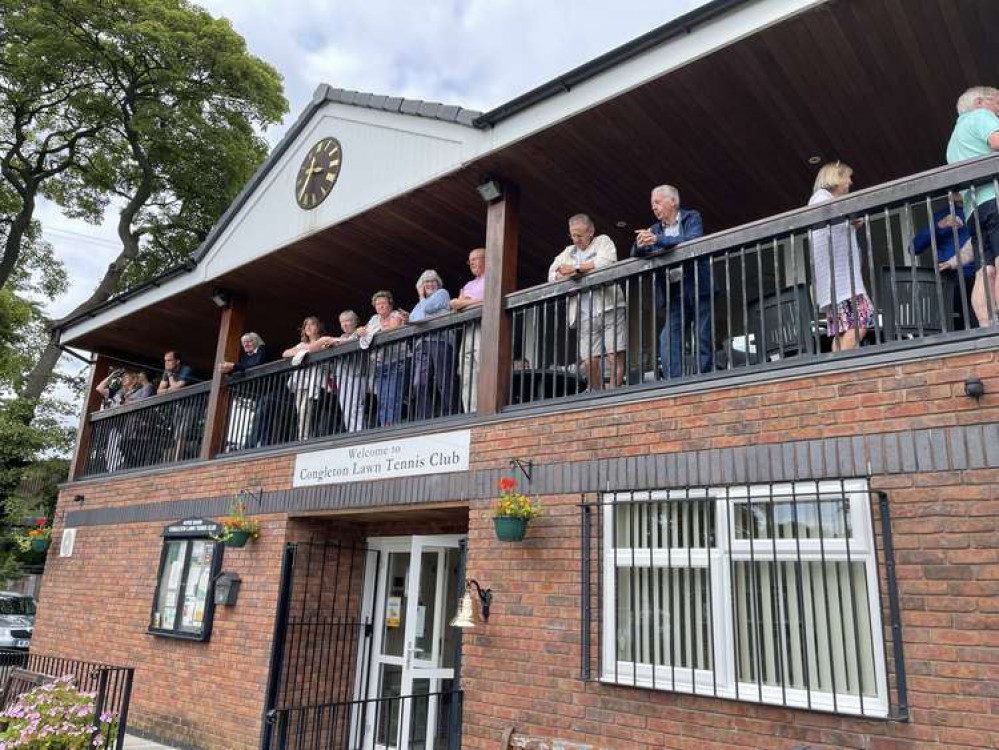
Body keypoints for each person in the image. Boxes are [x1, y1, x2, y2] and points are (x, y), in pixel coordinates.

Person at [631, 185, 710, 379]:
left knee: (702, 335)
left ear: (673, 201)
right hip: (674, 291)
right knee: (667, 338)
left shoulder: (691, 217)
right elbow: (635, 253)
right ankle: (673, 382)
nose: (653, 208)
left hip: (699, 285)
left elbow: (693, 239)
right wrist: (640, 243)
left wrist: (657, 239)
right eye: (652, 204)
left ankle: (705, 378)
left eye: (657, 202)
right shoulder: (655, 229)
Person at [548, 214, 626, 389]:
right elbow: (551, 274)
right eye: (572, 235)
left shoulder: (603, 241)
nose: (575, 240)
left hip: (609, 306)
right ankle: (596, 395)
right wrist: (565, 274)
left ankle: (614, 394)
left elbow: (606, 262)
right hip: (583, 313)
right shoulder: (568, 252)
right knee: (590, 359)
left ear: (591, 231)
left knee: (614, 355)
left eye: (579, 235)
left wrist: (576, 269)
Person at [946, 86, 999, 327]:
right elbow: (997, 141)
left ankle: (987, 326)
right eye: (997, 103)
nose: (998, 111)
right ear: (980, 101)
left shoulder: (954, 140)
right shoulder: (981, 116)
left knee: (984, 270)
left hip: (973, 210)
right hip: (995, 198)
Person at [808, 161, 873, 352]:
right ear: (836, 178)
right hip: (841, 283)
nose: (850, 182)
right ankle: (844, 370)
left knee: (843, 331)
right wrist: (849, 221)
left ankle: (834, 377)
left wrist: (849, 224)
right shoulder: (821, 199)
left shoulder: (823, 201)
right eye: (847, 177)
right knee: (862, 321)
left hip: (835, 284)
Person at [910, 196, 977, 330]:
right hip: (951, 279)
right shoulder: (942, 215)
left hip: (978, 274)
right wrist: (939, 225)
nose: (957, 193)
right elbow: (914, 247)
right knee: (956, 325)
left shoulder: (976, 209)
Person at [409, 270, 459, 419]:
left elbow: (427, 309)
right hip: (422, 343)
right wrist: (422, 303)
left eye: (432, 281)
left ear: (438, 284)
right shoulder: (420, 303)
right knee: (420, 382)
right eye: (426, 282)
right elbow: (414, 318)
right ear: (421, 286)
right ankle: (425, 417)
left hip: (441, 340)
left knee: (444, 381)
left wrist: (421, 297)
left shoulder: (442, 294)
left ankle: (448, 414)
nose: (430, 284)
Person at [358, 291, 409, 427]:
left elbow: (392, 329)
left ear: (390, 304)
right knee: (382, 398)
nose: (380, 306)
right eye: (377, 304)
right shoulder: (374, 319)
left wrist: (373, 332)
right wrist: (360, 331)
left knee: (393, 397)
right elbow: (364, 331)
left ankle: (392, 426)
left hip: (397, 360)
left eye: (383, 303)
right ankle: (384, 426)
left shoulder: (395, 314)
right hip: (381, 363)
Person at [219, 332, 273, 448]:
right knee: (260, 416)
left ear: (256, 341)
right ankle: (256, 444)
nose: (246, 344)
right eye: (244, 343)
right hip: (260, 392)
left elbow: (256, 364)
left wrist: (234, 366)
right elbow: (242, 368)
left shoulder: (262, 350)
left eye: (249, 341)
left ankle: (253, 445)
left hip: (271, 388)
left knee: (262, 416)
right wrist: (230, 370)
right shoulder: (246, 357)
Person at [450, 247, 485, 413]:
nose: (472, 263)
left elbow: (488, 299)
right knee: (466, 370)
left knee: (481, 365)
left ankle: (483, 408)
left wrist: (464, 302)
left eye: (475, 258)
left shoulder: (492, 277)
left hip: (484, 326)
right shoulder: (469, 284)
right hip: (468, 328)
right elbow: (454, 304)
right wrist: (462, 302)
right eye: (470, 260)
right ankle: (470, 410)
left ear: (486, 259)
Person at [282, 317, 327, 441]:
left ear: (318, 328)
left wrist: (302, 350)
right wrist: (302, 349)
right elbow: (285, 353)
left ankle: (304, 439)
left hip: (314, 381)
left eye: (312, 324)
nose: (308, 327)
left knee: (304, 411)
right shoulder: (302, 344)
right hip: (301, 382)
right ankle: (305, 436)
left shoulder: (323, 340)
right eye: (306, 325)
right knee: (300, 412)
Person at [323, 310, 366, 433]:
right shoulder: (341, 338)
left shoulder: (359, 333)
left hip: (357, 375)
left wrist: (335, 342)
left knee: (355, 406)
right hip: (342, 376)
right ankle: (352, 432)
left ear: (355, 322)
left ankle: (359, 433)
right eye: (342, 322)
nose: (345, 324)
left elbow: (352, 342)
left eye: (348, 321)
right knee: (345, 408)